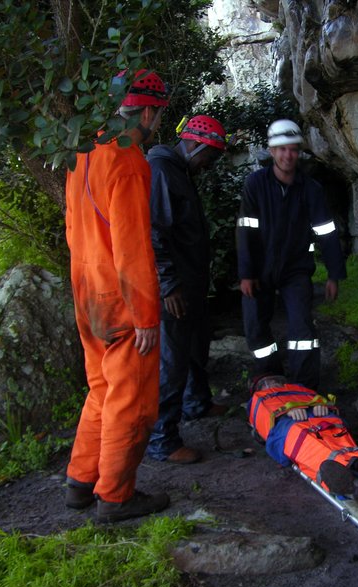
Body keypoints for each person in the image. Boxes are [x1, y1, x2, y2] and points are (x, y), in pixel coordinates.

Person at [64, 69, 169, 523]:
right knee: (132, 399)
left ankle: (80, 482)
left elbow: (74, 229)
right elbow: (131, 246)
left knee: (101, 389)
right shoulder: (127, 161)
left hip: (88, 295)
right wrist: (146, 314)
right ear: (147, 111)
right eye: (159, 114)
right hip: (122, 302)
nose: (158, 122)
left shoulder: (84, 151)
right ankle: (116, 497)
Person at [236, 119, 346, 390]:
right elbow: (245, 230)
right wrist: (246, 274)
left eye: (293, 149)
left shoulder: (311, 190)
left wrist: (334, 274)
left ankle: (303, 387)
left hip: (295, 269)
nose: (288, 155)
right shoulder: (255, 184)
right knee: (255, 328)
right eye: (282, 149)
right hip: (259, 270)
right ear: (272, 151)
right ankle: (270, 377)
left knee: (302, 330)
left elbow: (326, 233)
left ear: (299, 152)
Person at [145, 115, 228, 464]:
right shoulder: (163, 171)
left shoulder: (180, 170)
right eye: (209, 156)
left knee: (195, 346)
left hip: (190, 282)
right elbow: (155, 232)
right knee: (173, 358)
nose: (209, 165)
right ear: (194, 145)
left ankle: (197, 402)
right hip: (174, 287)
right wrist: (169, 285)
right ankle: (163, 438)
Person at [248, 375, 358, 505]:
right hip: (288, 425)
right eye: (265, 384)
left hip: (320, 418)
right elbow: (264, 428)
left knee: (338, 434)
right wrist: (285, 412)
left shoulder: (297, 389)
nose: (272, 384)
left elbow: (319, 400)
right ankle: (356, 484)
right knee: (307, 442)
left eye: (275, 380)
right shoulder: (258, 401)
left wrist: (322, 405)